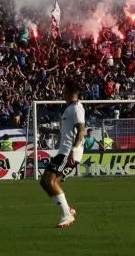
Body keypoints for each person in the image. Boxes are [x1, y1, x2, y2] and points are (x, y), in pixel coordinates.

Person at [39, 80, 83, 229]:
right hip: (63, 151)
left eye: (64, 90)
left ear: (70, 92)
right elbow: (67, 132)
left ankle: (66, 214)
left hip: (68, 152)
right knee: (44, 182)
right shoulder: (69, 109)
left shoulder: (76, 108)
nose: (62, 93)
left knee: (50, 181)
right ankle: (68, 209)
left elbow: (81, 131)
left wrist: (74, 150)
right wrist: (50, 131)